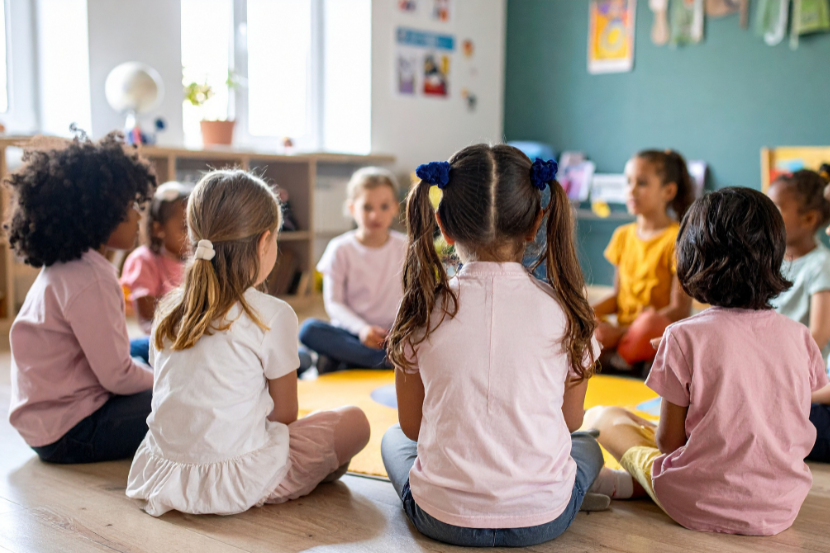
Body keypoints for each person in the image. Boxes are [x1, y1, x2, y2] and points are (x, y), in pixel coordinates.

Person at [381, 145, 604, 548]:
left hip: (441, 519)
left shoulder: (420, 308)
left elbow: (412, 427)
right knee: (587, 446)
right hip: (543, 520)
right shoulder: (567, 311)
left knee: (392, 440)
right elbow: (570, 423)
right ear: (536, 223)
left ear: (442, 227)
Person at [126, 169, 370, 516]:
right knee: (355, 422)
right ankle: (305, 475)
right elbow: (285, 415)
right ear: (264, 242)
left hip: (166, 471)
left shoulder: (167, 309)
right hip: (239, 475)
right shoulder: (273, 314)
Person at [586, 187, 829, 535]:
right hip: (781, 505)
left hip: (695, 502)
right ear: (776, 255)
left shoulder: (682, 337)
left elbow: (669, 444)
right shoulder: (801, 337)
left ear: (691, 259)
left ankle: (628, 485)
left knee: (603, 416)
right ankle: (634, 485)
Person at [6, 132, 156, 463]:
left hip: (47, 416)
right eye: (130, 205)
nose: (138, 216)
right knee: (179, 397)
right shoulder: (92, 279)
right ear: (99, 213)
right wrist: (163, 377)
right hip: (71, 431)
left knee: (147, 348)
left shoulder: (67, 265)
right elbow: (117, 377)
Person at [592, 150, 695, 372]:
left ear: (668, 191)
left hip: (652, 331)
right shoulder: (622, 235)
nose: (631, 189)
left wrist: (621, 333)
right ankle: (626, 359)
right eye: (628, 182)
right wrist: (587, 312)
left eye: (642, 183)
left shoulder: (677, 239)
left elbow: (679, 310)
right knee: (588, 324)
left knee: (649, 326)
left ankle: (620, 358)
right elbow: (617, 297)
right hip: (625, 331)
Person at [299, 167, 406, 373]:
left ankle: (350, 360)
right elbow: (334, 303)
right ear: (351, 208)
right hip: (352, 334)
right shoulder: (339, 249)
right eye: (367, 207)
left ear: (394, 208)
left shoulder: (407, 246)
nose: (375, 215)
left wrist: (399, 331)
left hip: (393, 336)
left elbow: (415, 297)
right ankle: (382, 361)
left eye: (384, 206)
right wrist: (362, 330)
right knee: (309, 330)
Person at [120, 181, 192, 361]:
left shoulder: (199, 260)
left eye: (196, 227)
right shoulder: (143, 260)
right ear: (159, 229)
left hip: (192, 339)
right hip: (159, 342)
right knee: (129, 353)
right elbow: (147, 315)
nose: (193, 236)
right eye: (185, 228)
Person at [767, 170, 830, 361]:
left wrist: (780, 363)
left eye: (776, 210)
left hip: (800, 367)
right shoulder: (769, 259)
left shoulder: (821, 265)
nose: (768, 217)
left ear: (809, 219)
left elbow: (818, 335)